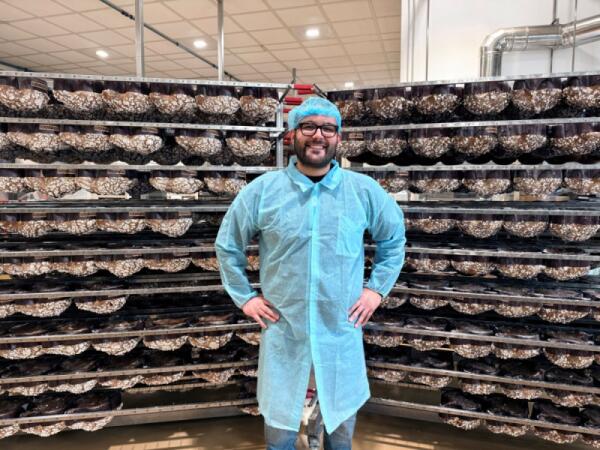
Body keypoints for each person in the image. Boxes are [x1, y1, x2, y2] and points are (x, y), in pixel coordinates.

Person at [215, 97, 405, 450]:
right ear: (292, 134)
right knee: (280, 432)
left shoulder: (363, 191)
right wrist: (245, 298)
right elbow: (228, 245)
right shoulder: (262, 192)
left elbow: (393, 240)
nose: (318, 135)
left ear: (338, 137)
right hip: (285, 332)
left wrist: (375, 290)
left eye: (328, 128)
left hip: (340, 332)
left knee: (340, 430)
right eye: (308, 126)